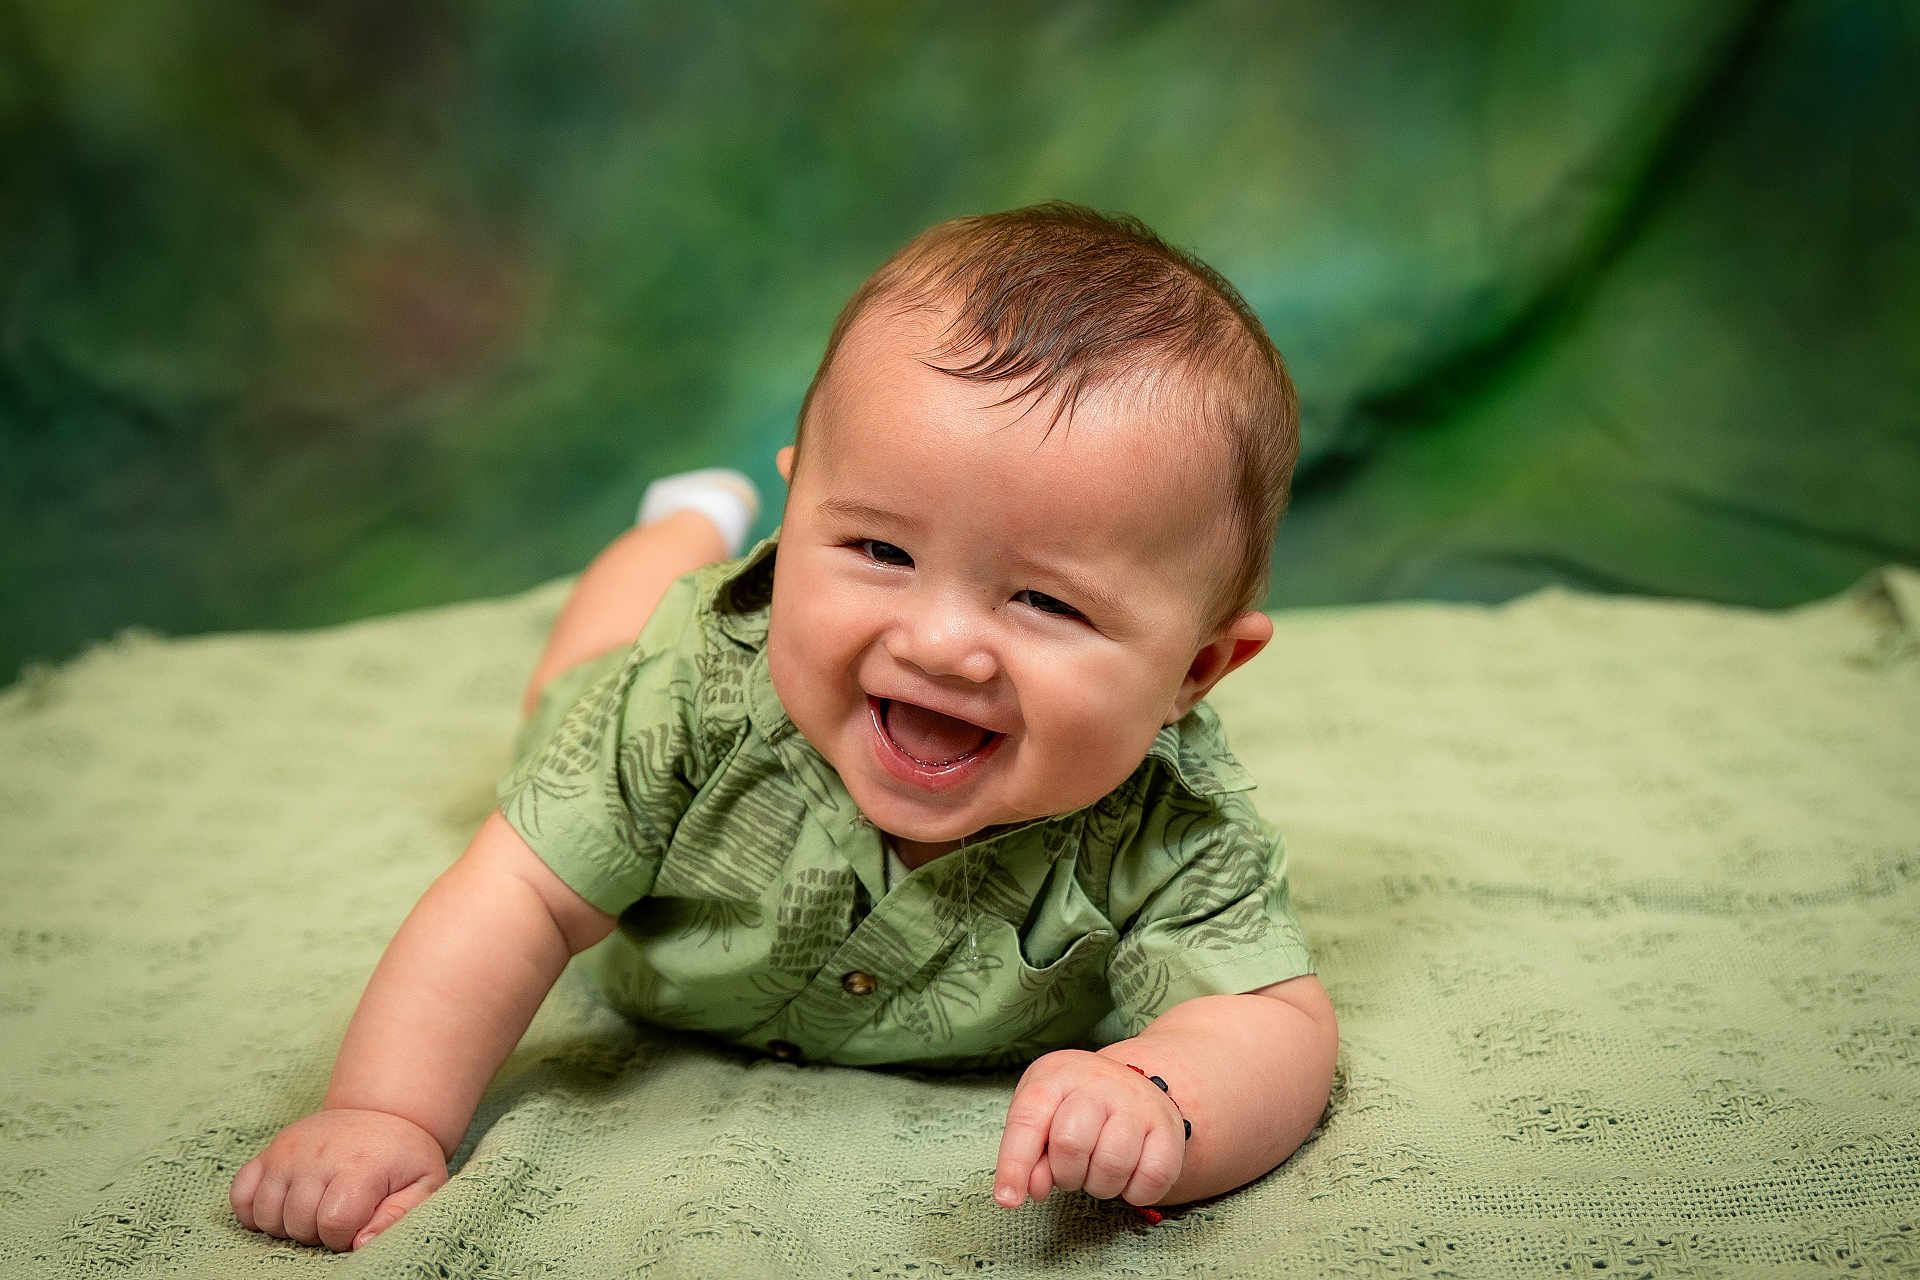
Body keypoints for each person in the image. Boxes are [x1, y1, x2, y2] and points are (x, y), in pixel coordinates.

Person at [229, 202, 1338, 1253]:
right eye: (878, 550)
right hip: (617, 711)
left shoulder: (1179, 826)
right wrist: (385, 1112)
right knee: (580, 665)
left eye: (1045, 601)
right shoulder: (686, 700)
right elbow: (509, 899)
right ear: (801, 511)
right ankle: (684, 526)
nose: (943, 645)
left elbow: (1274, 1027)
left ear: (1196, 668)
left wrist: (1165, 1099)